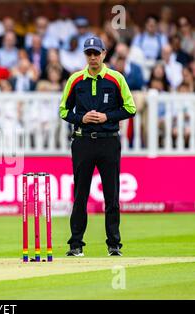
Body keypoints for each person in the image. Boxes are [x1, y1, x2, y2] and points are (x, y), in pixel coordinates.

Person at [59, 37, 136, 257]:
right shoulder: (75, 79)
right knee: (80, 194)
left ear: (103, 53)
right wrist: (82, 119)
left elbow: (130, 108)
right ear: (85, 55)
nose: (92, 58)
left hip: (109, 141)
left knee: (111, 195)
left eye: (96, 53)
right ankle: (75, 244)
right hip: (83, 141)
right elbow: (64, 111)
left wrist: (106, 116)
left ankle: (114, 244)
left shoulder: (115, 78)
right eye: (89, 54)